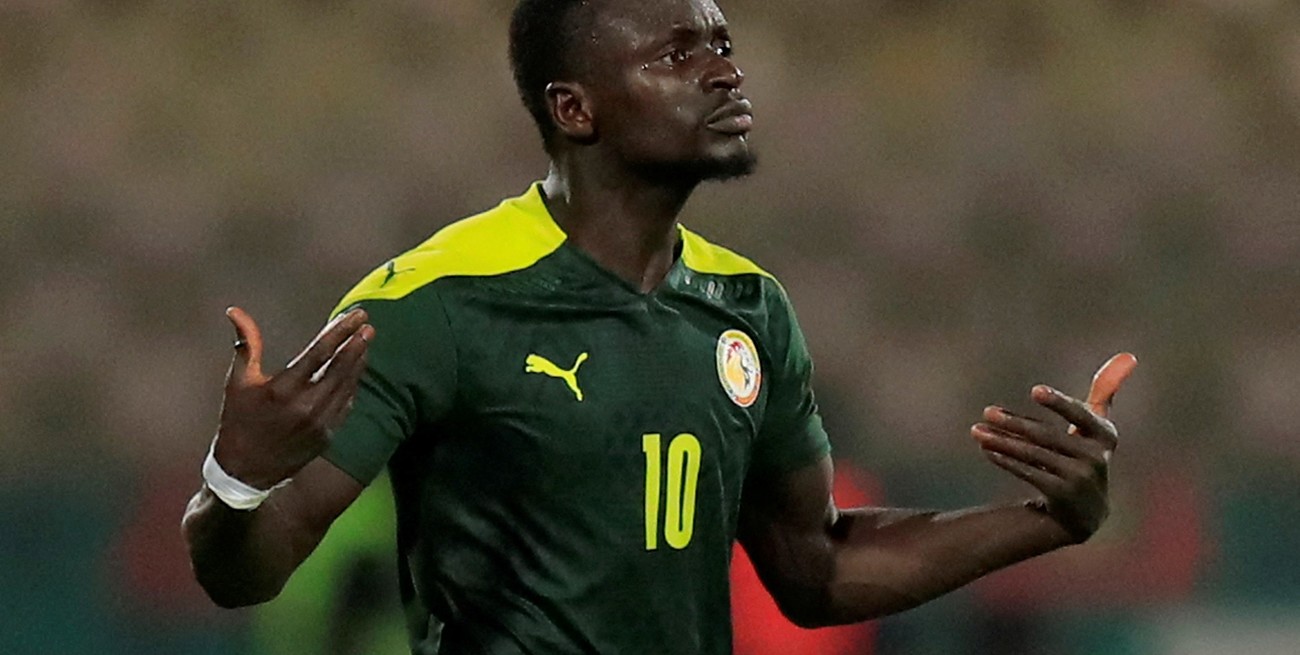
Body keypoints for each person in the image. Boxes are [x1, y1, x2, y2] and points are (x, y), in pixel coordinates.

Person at [181, 0, 1138, 653]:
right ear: (575, 109)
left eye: (721, 42)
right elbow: (248, 570)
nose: (724, 71)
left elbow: (815, 571)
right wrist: (236, 478)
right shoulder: (436, 302)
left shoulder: (749, 309)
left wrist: (1048, 521)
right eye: (678, 54)